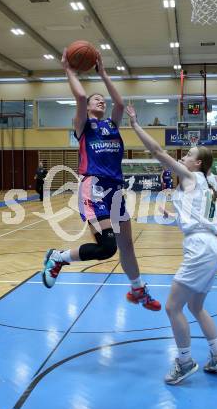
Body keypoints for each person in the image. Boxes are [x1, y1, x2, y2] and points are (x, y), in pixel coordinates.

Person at [39, 49, 161, 312]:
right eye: (97, 100)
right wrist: (69, 71)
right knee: (107, 248)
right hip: (92, 187)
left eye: (102, 100)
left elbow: (119, 104)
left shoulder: (111, 125)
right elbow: (81, 96)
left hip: (115, 190)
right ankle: (58, 258)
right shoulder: (83, 125)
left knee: (127, 245)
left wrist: (103, 73)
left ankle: (138, 289)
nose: (100, 101)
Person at [126, 105, 217, 385]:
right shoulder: (210, 184)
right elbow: (200, 216)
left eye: (188, 156)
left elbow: (157, 152)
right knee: (196, 307)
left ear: (196, 164)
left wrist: (135, 124)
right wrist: (173, 216)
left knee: (172, 308)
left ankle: (184, 361)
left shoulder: (190, 176)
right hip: (212, 248)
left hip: (199, 249)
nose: (183, 157)